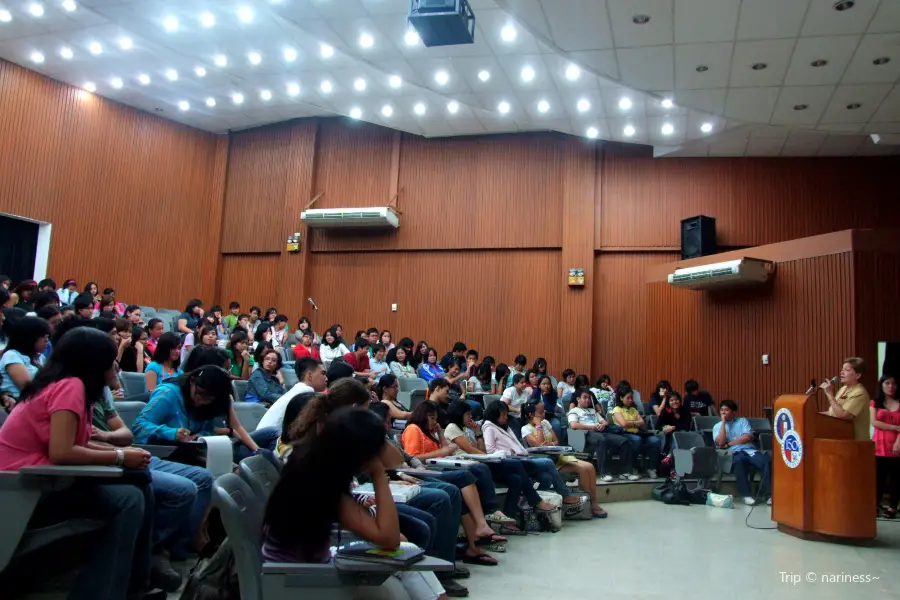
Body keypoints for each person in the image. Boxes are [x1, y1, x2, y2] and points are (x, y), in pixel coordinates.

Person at [0, 327, 158, 599]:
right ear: (93, 362)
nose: (115, 367)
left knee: (139, 484)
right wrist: (120, 456)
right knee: (128, 499)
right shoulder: (70, 386)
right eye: (111, 360)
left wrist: (121, 451)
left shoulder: (66, 385)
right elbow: (62, 451)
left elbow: (73, 443)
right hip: (24, 490)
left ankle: (133, 586)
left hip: (43, 479)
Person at [263, 408, 447, 600]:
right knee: (402, 568)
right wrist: (378, 474)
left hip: (306, 567)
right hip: (303, 579)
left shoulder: (312, 464)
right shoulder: (318, 480)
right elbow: (389, 538)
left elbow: (395, 459)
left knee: (406, 553)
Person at [133, 353, 279, 461]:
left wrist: (201, 436)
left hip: (204, 449)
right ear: (192, 381)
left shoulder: (215, 401)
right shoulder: (169, 393)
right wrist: (171, 432)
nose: (202, 401)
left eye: (209, 399)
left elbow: (208, 430)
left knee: (267, 446)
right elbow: (139, 426)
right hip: (170, 451)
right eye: (200, 394)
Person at [401, 401, 515, 529]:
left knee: (487, 472)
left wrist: (441, 435)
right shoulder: (413, 429)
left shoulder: (429, 432)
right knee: (470, 473)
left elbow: (445, 452)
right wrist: (442, 451)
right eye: (432, 418)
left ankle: (485, 523)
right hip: (427, 472)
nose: (434, 422)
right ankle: (488, 515)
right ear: (422, 415)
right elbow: (412, 458)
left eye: (436, 419)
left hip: (438, 466)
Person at [445, 400, 565, 517]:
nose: (470, 416)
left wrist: (477, 433)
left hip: (479, 463)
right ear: (459, 414)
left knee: (516, 479)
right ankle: (534, 500)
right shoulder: (452, 427)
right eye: (467, 414)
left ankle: (509, 516)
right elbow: (472, 451)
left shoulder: (465, 430)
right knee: (518, 464)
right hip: (468, 467)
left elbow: (481, 451)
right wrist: (490, 455)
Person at [520, 399, 602, 510]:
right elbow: (538, 446)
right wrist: (538, 425)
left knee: (590, 467)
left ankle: (594, 502)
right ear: (531, 414)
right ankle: (586, 506)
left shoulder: (546, 423)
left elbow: (556, 441)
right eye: (540, 412)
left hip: (559, 456)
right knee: (583, 469)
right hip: (547, 462)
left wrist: (550, 443)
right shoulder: (525, 429)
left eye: (543, 410)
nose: (544, 413)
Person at [567, 388, 637, 482]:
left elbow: (605, 422)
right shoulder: (574, 411)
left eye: (589, 398)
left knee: (624, 441)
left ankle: (625, 472)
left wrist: (602, 425)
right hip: (585, 435)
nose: (587, 400)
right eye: (585, 397)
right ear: (578, 399)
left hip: (600, 432)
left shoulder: (593, 411)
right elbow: (574, 425)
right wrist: (592, 427)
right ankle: (604, 473)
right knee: (601, 440)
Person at [714, 399, 771, 505]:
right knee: (739, 462)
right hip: (732, 453)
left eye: (726, 410)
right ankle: (746, 495)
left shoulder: (742, 421)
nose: (723, 412)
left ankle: (768, 495)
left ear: (733, 412)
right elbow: (721, 443)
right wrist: (723, 423)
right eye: (721, 410)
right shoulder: (717, 426)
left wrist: (730, 443)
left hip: (749, 450)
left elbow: (748, 437)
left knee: (765, 461)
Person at [256, 357, 329, 432]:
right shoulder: (306, 393)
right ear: (310, 375)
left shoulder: (299, 389)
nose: (326, 378)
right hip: (271, 440)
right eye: (323, 373)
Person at [609, 383, 661, 479]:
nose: (630, 400)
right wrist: (635, 422)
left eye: (631, 398)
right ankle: (633, 467)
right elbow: (623, 424)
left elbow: (642, 422)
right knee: (636, 440)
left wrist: (631, 423)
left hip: (638, 433)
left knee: (655, 441)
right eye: (628, 398)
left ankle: (651, 468)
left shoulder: (633, 409)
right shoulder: (617, 409)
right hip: (624, 434)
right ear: (621, 398)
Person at [0, 315, 50, 404]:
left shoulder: (39, 357)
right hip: (16, 405)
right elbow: (28, 388)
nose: (46, 342)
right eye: (44, 338)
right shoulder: (12, 356)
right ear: (31, 338)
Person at [821, 357, 872, 441]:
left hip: (856, 443)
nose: (841, 372)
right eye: (842, 370)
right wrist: (814, 415)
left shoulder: (860, 392)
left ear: (858, 375)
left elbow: (842, 415)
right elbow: (833, 413)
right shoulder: (843, 389)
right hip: (841, 440)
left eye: (847, 370)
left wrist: (829, 395)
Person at [871, 374, 900, 518]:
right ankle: (875, 504)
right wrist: (896, 428)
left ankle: (893, 507)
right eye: (887, 383)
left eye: (893, 384)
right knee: (878, 478)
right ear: (881, 385)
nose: (890, 386)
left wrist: (898, 441)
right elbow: (875, 422)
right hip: (879, 446)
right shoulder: (875, 403)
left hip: (896, 446)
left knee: (895, 479)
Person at [530, 375, 563, 442]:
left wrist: (545, 397)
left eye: (548, 384)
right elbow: (533, 407)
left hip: (549, 417)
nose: (546, 386)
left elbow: (551, 408)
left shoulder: (553, 393)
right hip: (537, 417)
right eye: (544, 384)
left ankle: (557, 444)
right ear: (539, 385)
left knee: (556, 424)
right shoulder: (536, 392)